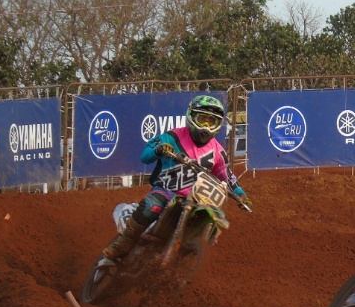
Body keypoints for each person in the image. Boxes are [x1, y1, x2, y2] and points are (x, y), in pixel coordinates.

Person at [101, 94, 252, 262]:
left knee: (211, 221)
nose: (207, 126)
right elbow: (145, 156)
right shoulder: (172, 137)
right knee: (151, 206)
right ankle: (125, 241)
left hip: (198, 198)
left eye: (212, 121)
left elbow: (227, 176)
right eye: (202, 119)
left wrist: (241, 195)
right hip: (167, 190)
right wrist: (159, 150)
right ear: (191, 116)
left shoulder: (217, 151)